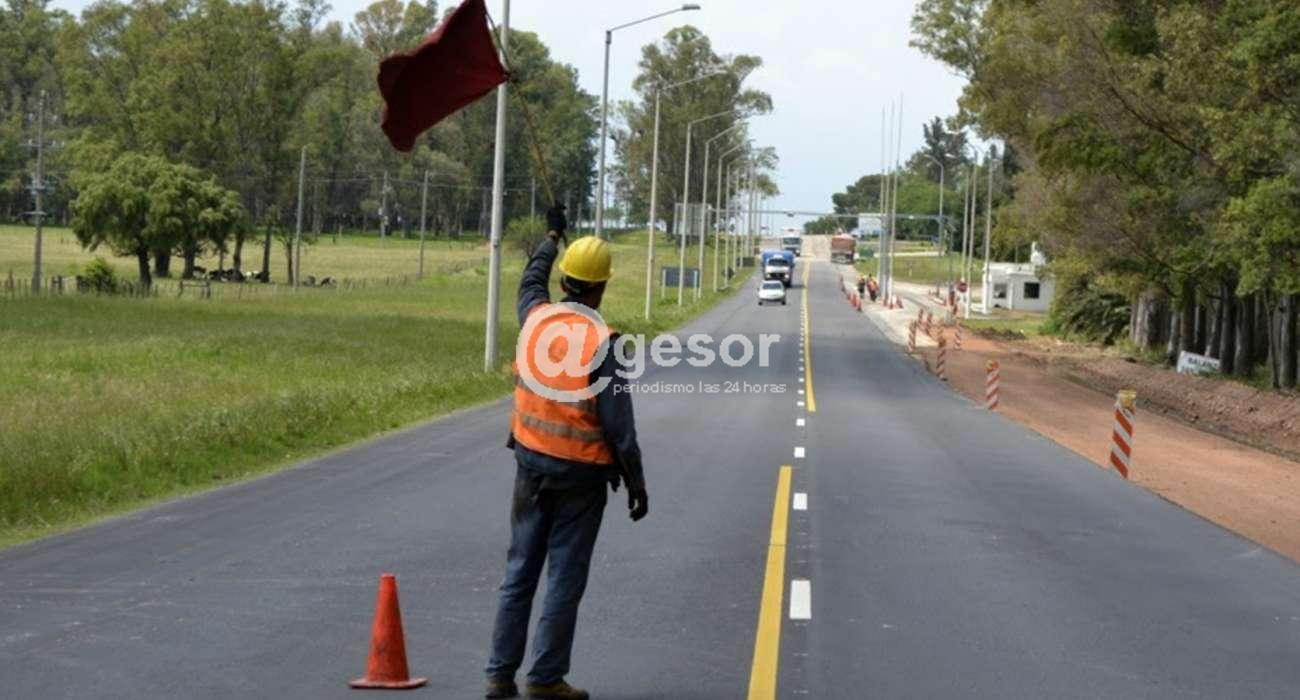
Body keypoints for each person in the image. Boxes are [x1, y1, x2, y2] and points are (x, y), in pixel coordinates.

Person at [485, 205, 649, 700]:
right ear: (601, 288)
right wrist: (636, 484)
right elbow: (619, 429)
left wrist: (551, 236)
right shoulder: (603, 343)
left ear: (564, 280)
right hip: (581, 480)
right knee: (564, 576)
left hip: (530, 467)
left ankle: (499, 675)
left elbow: (529, 280)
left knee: (519, 572)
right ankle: (544, 679)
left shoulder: (535, 319)